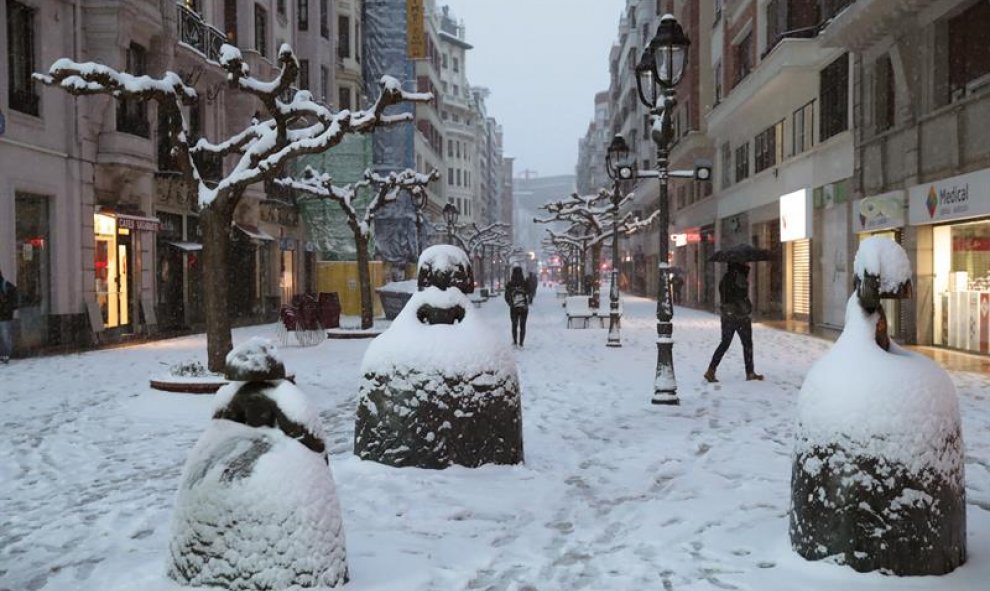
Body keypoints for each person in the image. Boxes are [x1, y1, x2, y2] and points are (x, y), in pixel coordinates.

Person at [704, 262, 763, 382]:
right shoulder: (740, 279)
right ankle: (750, 372)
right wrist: (747, 306)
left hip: (727, 315)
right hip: (740, 316)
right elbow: (742, 297)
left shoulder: (725, 279)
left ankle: (711, 370)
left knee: (724, 343)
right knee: (747, 344)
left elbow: (725, 296)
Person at [504, 266, 531, 349]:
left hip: (514, 308)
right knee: (523, 325)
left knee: (514, 325)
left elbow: (506, 296)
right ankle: (521, 343)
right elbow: (530, 292)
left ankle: (515, 342)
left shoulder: (510, 284)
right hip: (524, 307)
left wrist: (511, 303)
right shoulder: (524, 283)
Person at [0, 269, 18, 364]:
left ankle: (5, 355)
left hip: (5, 316)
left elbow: (14, 299)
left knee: (5, 336)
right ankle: (4, 355)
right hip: (5, 315)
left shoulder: (6, 285)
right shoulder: (6, 285)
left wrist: (6, 306)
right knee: (5, 336)